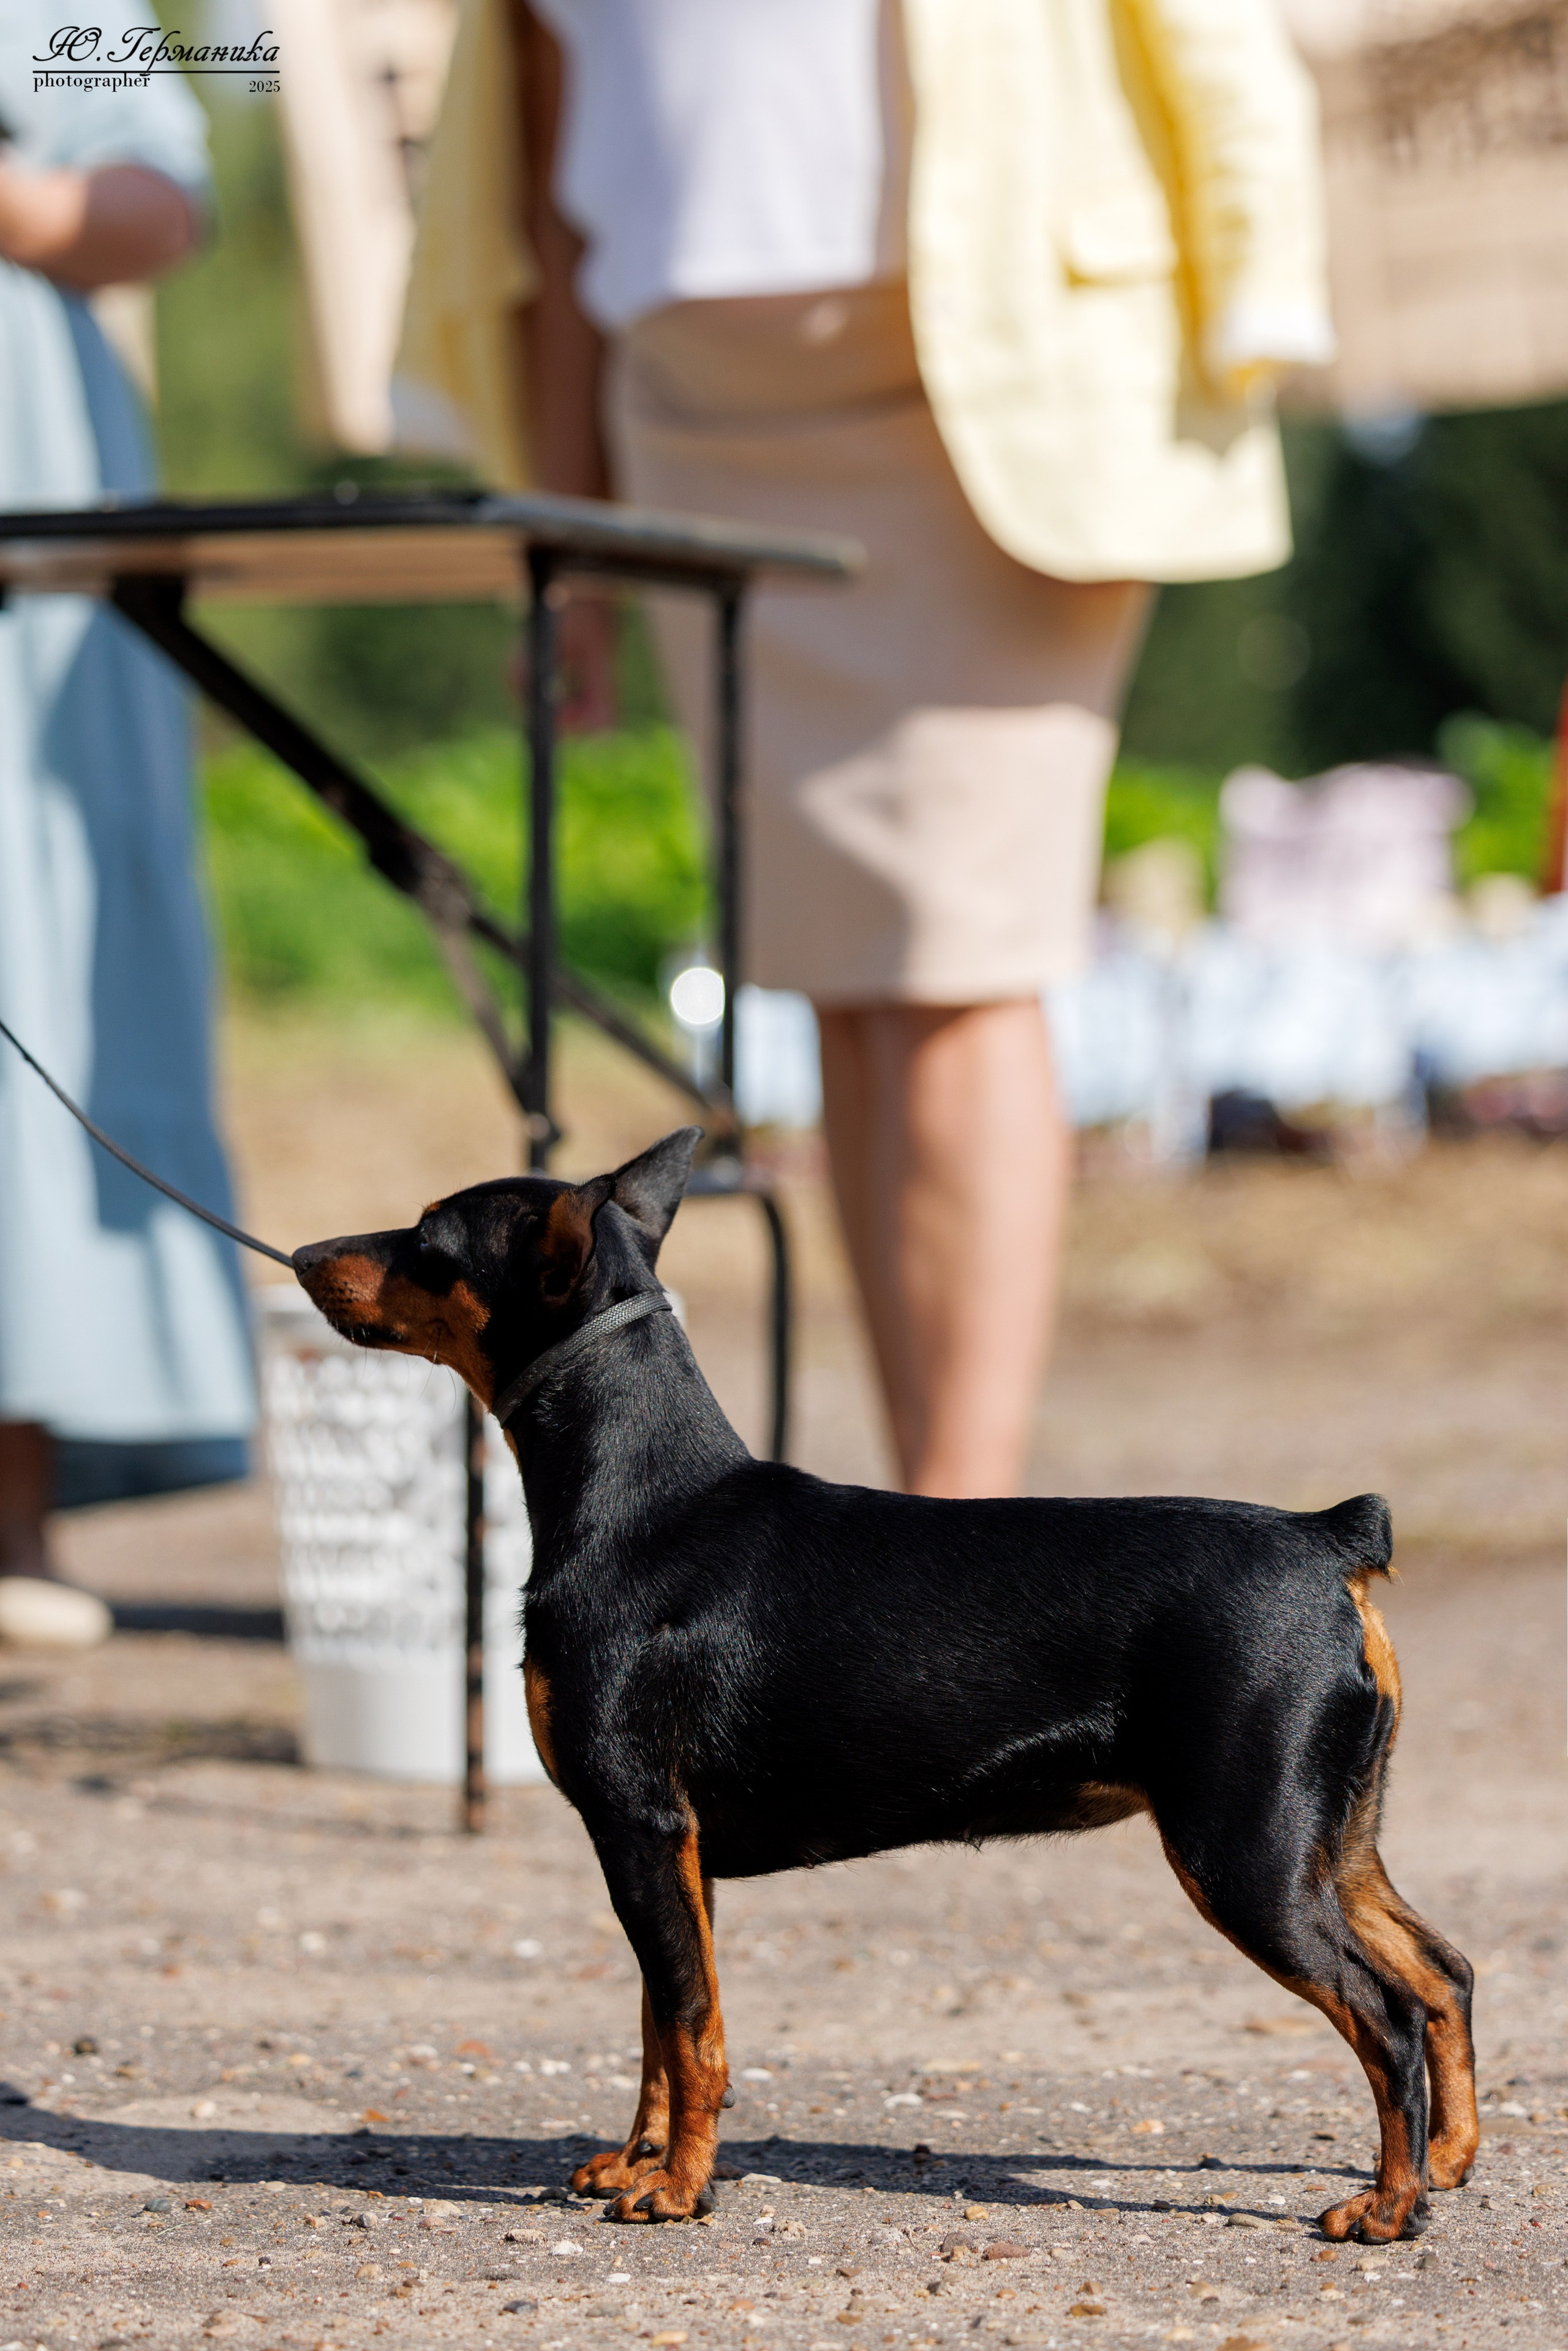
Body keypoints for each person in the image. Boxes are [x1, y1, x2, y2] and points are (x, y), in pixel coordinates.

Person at [399, 0, 1333, 1496]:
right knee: (842, 989)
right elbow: (547, 196)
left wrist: (1256, 295)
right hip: (694, 440)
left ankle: (963, 1535)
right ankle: (927, 1510)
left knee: (954, 970)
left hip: (983, 408)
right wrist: (563, 535)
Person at [0, 13, 257, 1637]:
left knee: (34, 950)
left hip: (29, 541)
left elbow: (163, 197)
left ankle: (9, 1503)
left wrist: (22, 209)